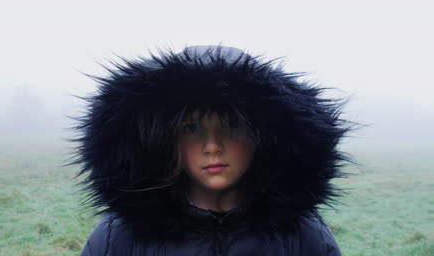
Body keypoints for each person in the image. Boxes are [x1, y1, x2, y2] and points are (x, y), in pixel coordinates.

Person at [74, 45, 351, 255]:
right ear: (165, 139)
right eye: (192, 128)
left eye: (231, 125)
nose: (213, 146)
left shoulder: (302, 235)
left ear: (263, 136)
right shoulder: (119, 237)